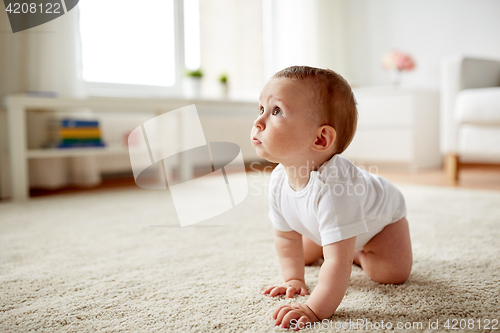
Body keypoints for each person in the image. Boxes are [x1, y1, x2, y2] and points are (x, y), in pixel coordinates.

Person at [250, 66, 413, 330]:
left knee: (390, 274)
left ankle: (356, 251)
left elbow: (337, 265)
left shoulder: (336, 190)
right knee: (301, 256)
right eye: (261, 110)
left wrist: (313, 309)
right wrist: (293, 279)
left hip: (382, 222)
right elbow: (286, 236)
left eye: (276, 111)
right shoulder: (279, 179)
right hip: (324, 224)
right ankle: (339, 241)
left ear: (321, 138)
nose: (258, 122)